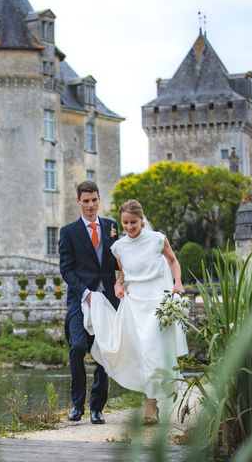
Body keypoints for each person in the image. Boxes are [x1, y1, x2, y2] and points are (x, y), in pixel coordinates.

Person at [82, 199, 188, 424]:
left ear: (142, 220)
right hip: (134, 302)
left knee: (151, 348)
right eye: (126, 223)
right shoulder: (118, 246)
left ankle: (151, 408)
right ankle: (152, 402)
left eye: (134, 222)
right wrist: (118, 285)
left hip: (157, 300)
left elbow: (173, 261)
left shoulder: (157, 239)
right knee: (141, 353)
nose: (129, 227)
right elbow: (122, 273)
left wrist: (177, 282)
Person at [58, 181, 119, 424]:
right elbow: (66, 269)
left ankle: (97, 408)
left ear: (98, 199)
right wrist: (85, 292)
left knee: (104, 351)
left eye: (94, 200)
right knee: (78, 347)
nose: (91, 205)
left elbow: (119, 260)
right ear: (78, 202)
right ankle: (76, 405)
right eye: (86, 201)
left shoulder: (112, 226)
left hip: (107, 299)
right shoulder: (68, 232)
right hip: (79, 298)